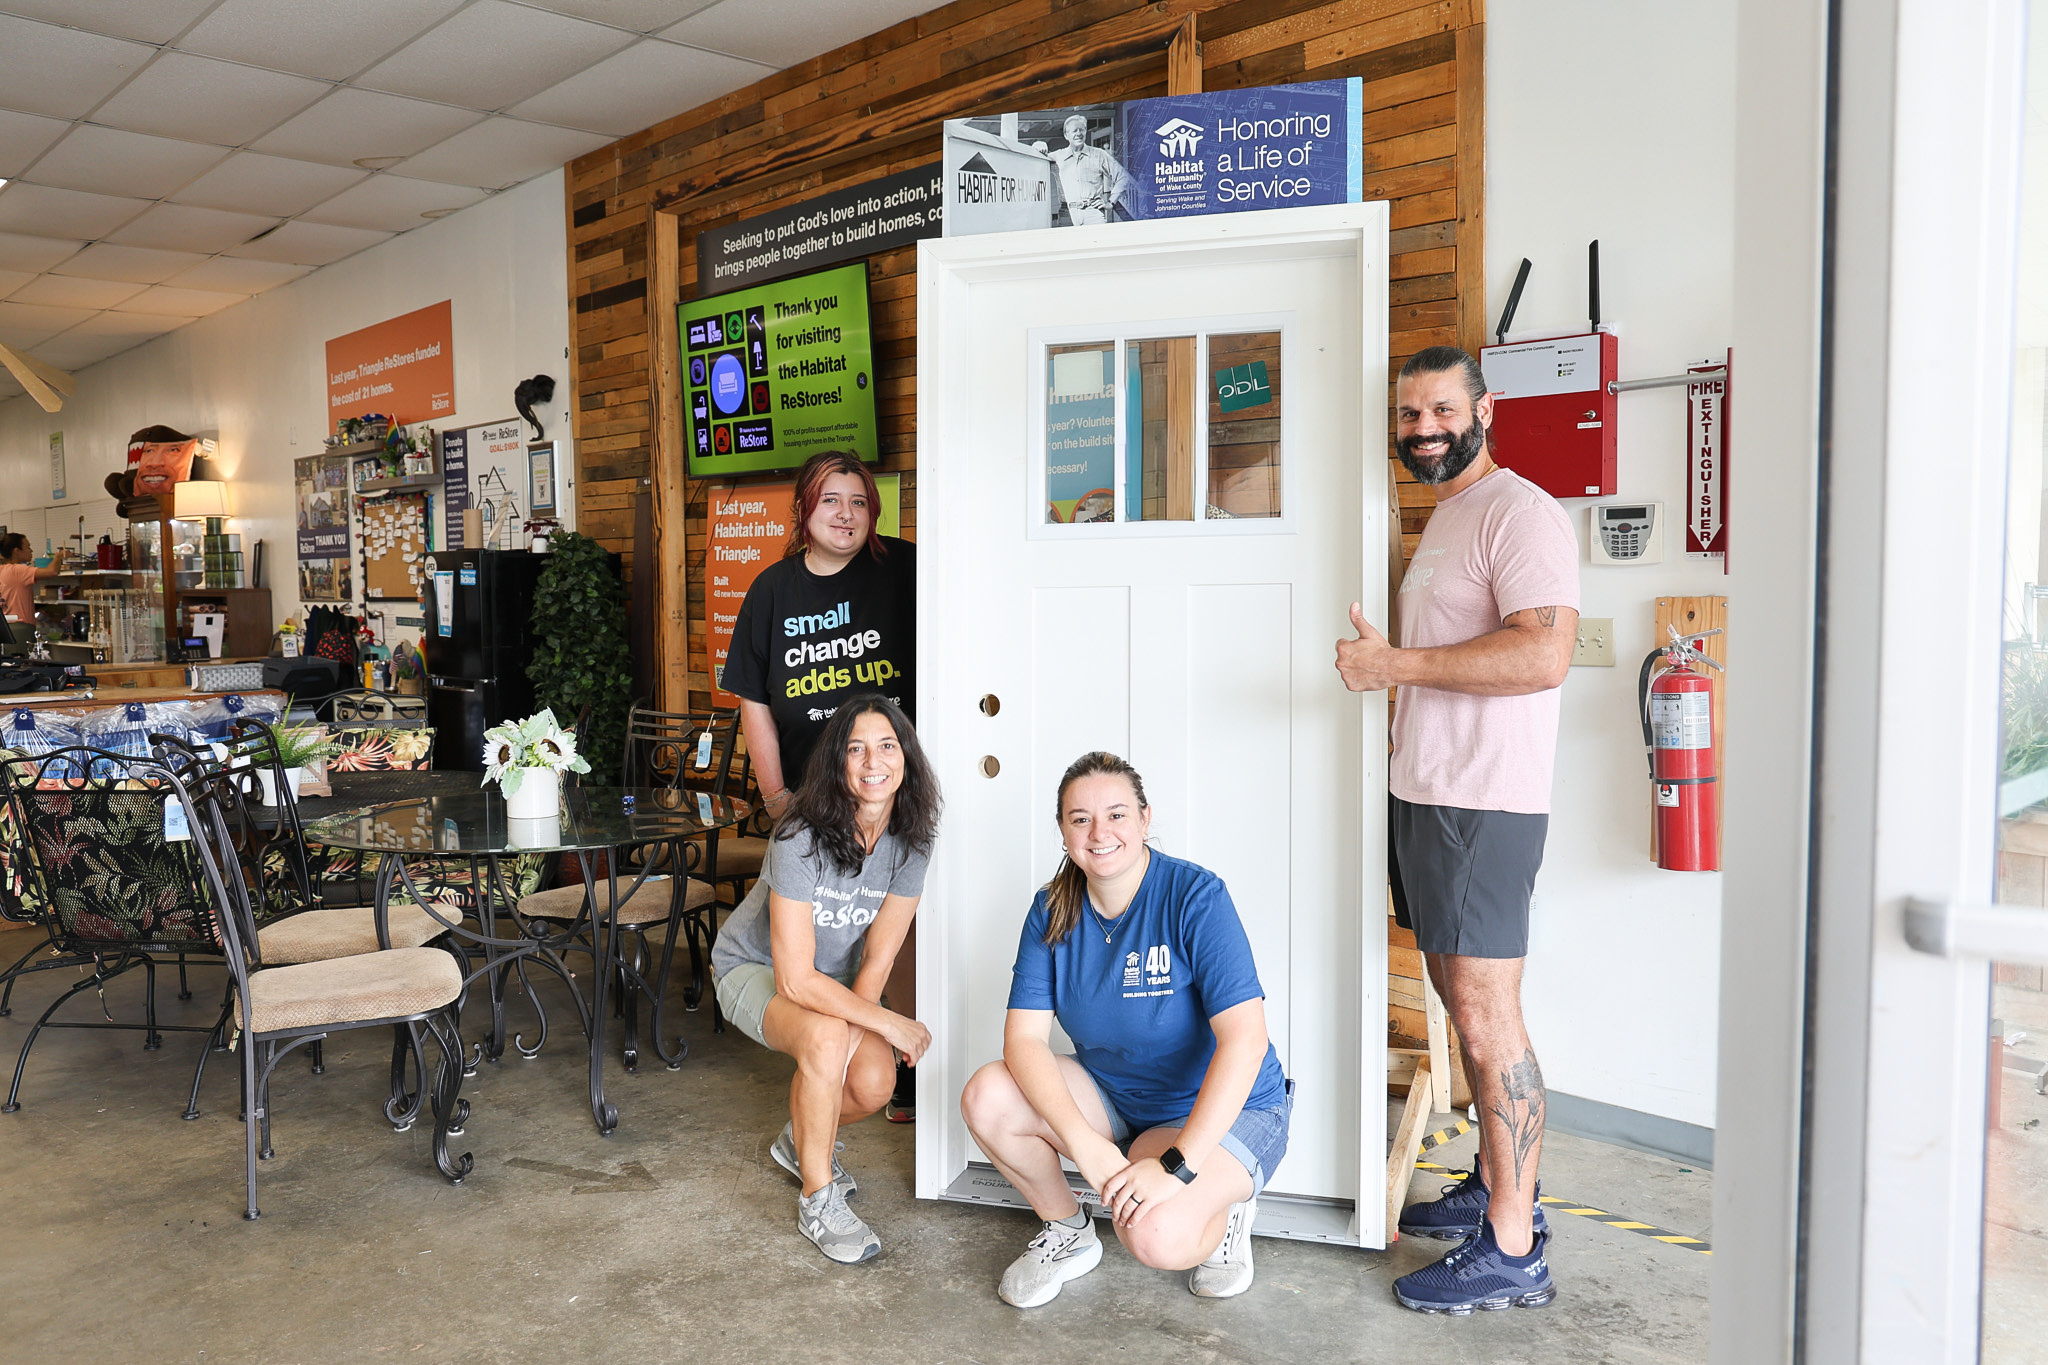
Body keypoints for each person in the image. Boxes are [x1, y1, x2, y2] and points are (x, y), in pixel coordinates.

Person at [1334, 345, 1579, 1314]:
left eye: (1439, 408)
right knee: (1452, 994)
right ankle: (1493, 1181)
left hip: (1484, 801)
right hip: (1429, 795)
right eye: (1406, 414)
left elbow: (1542, 654)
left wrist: (1391, 668)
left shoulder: (1519, 512)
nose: (1421, 427)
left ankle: (1512, 1245)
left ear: (1484, 413)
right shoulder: (1447, 516)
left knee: (1485, 1015)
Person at [960, 752, 1292, 1308]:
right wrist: (1085, 1143)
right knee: (989, 1095)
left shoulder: (1194, 896)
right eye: (1080, 818)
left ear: (1144, 819)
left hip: (1224, 1109)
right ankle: (1068, 1231)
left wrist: (1178, 1167)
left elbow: (1246, 1039)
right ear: (1063, 831)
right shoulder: (1050, 910)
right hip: (1118, 1098)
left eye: (1116, 814)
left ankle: (1225, 1207)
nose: (1099, 832)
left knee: (1158, 1235)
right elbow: (1023, 1041)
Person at [721, 449, 920, 1117]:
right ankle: (843, 1043)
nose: (846, 513)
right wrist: (778, 796)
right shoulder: (772, 590)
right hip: (813, 806)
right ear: (804, 510)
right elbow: (753, 699)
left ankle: (902, 1064)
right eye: (831, 499)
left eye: (859, 501)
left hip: (890, 794)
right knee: (824, 931)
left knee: (900, 925)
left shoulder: (905, 571)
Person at [709, 694, 940, 1264]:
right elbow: (794, 980)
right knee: (826, 1039)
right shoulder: (800, 836)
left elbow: (878, 959)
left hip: (833, 982)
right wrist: (888, 1022)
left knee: (873, 1084)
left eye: (887, 746)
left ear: (905, 757)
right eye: (856, 749)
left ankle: (799, 1143)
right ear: (836, 762)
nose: (873, 762)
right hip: (754, 969)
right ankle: (818, 1198)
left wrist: (870, 1031)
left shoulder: (912, 838)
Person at [1050, 114, 1130, 226]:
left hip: (1093, 213)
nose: (1079, 134)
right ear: (1066, 135)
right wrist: (1039, 144)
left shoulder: (1099, 154)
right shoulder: (1058, 156)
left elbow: (1123, 176)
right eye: (1074, 131)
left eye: (1081, 130)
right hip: (1067, 213)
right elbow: (1037, 157)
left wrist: (1110, 202)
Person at [0, 534, 68, 628]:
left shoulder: (2, 569)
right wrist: (59, 556)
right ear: (16, 551)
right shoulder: (18, 570)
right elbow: (52, 571)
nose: (31, 550)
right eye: (28, 547)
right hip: (20, 626)